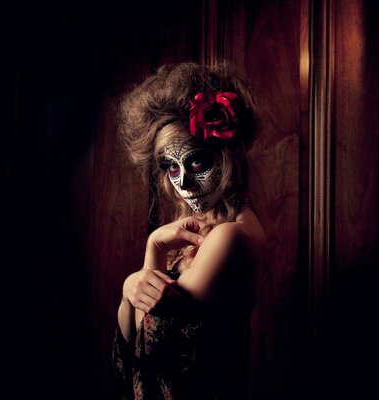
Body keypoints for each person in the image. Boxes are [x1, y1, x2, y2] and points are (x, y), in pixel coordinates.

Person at [112, 62, 266, 399]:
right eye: (171, 167)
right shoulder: (208, 233)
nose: (183, 182)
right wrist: (129, 290)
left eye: (196, 162)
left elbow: (148, 351)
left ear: (227, 156)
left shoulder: (231, 236)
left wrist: (153, 250)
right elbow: (127, 357)